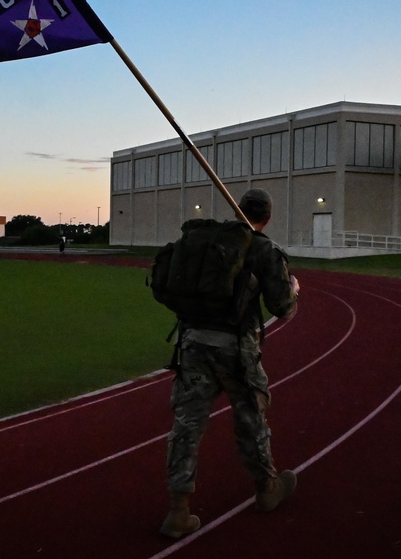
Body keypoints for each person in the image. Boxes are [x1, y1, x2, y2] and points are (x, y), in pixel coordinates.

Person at [161, 188, 300, 539]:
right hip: (236, 350)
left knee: (187, 424)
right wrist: (293, 289)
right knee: (250, 416)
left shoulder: (209, 243)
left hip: (192, 342)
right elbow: (283, 309)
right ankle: (267, 488)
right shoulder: (264, 249)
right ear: (266, 216)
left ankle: (178, 511)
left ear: (237, 212)